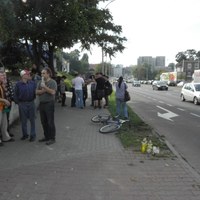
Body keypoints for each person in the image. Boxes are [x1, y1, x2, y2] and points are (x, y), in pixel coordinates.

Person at [36, 67, 57, 145]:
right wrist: (43, 90)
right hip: (41, 104)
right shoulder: (39, 82)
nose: (42, 74)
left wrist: (45, 87)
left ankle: (52, 138)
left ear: (48, 74)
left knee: (50, 121)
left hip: (49, 104)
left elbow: (52, 92)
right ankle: (46, 136)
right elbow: (36, 92)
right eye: (41, 73)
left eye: (44, 73)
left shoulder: (53, 82)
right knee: (43, 122)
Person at [14, 70, 37, 142]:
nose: (29, 75)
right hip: (22, 104)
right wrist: (19, 103)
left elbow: (35, 92)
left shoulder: (33, 83)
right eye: (28, 74)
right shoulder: (18, 84)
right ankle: (25, 134)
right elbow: (15, 95)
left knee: (32, 120)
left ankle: (32, 135)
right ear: (23, 76)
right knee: (23, 121)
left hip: (31, 103)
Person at [0, 70, 15, 146]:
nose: (4, 77)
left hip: (3, 107)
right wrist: (4, 100)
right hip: (1, 107)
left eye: (4, 75)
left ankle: (6, 137)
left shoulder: (2, 84)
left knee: (4, 123)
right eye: (2, 76)